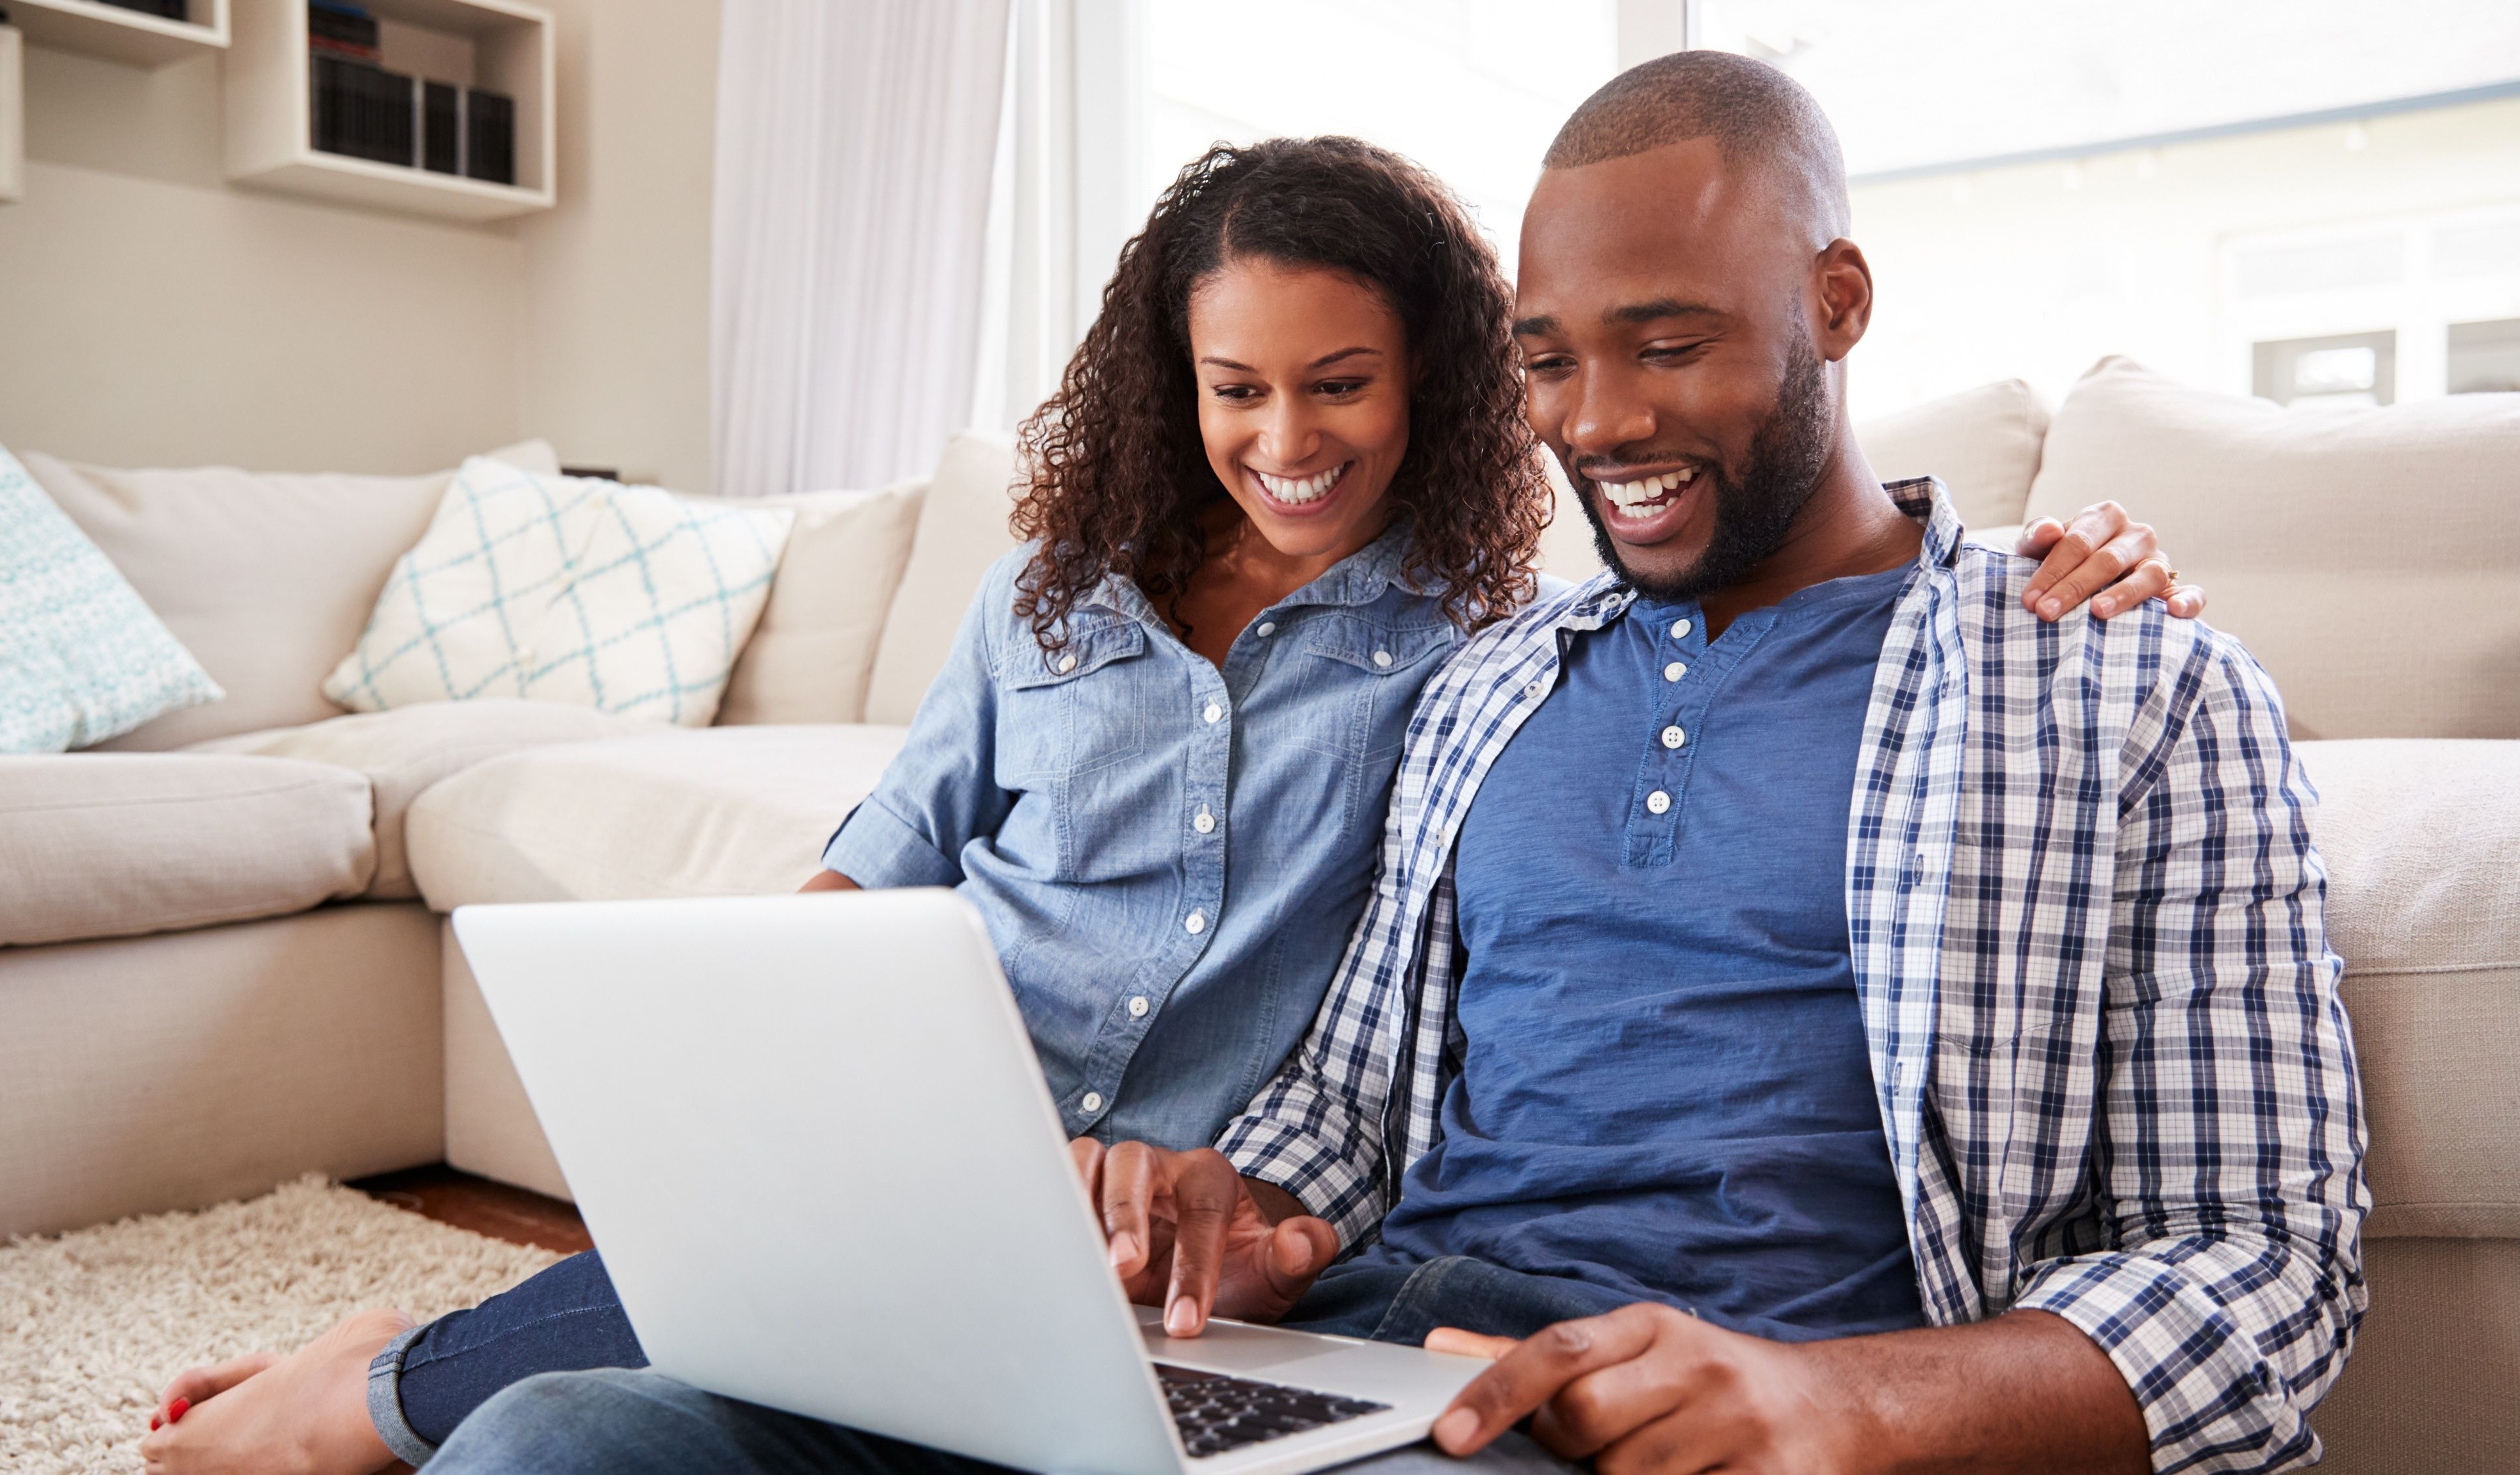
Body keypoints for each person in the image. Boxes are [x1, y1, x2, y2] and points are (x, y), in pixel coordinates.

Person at [413, 50, 2365, 1475]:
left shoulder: (2117, 685)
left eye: (1667, 343)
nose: (1601, 421)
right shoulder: (1492, 687)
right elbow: (1349, 1104)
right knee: (568, 1439)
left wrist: (1838, 1400)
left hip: (1680, 1397)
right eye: (1550, 357)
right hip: (1366, 1354)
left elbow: (2273, 1275)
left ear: (1837, 304)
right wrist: (1235, 1217)